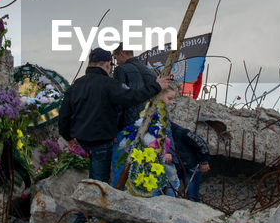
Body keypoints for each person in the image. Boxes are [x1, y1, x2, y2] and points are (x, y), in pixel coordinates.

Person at [59, 47, 165, 185]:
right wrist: (156, 86)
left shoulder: (75, 86)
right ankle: (92, 204)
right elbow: (132, 97)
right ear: (108, 64)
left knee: (84, 181)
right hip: (101, 143)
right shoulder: (110, 84)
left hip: (80, 141)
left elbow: (63, 116)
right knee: (98, 184)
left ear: (89, 63)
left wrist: (68, 137)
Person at [158, 85, 211, 202]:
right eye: (169, 99)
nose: (171, 103)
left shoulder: (179, 132)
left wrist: (204, 160)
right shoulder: (162, 126)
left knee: (191, 198)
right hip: (179, 165)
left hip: (191, 166)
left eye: (172, 99)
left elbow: (199, 142)